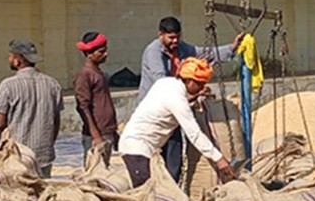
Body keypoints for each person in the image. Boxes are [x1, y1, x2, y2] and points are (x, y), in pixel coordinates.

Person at [138, 16, 244, 184]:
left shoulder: (180, 47)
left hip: (174, 109)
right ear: (161, 35)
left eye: (178, 37)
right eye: (171, 37)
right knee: (153, 159)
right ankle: (156, 191)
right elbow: (162, 82)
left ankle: (171, 190)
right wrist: (191, 87)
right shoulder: (153, 53)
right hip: (157, 112)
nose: (175, 41)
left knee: (174, 157)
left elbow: (204, 54)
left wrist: (232, 47)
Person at [120, 57, 236, 189]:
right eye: (199, 83)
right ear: (188, 80)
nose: (202, 87)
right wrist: (219, 159)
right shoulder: (176, 98)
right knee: (143, 195)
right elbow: (195, 134)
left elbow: (175, 103)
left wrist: (195, 96)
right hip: (137, 148)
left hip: (138, 146)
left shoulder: (166, 83)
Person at [0, 39, 64, 178]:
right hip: (44, 154)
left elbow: (0, 123)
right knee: (43, 192)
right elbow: (56, 121)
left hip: (18, 154)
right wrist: (48, 143)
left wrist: (4, 144)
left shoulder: (8, 85)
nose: (9, 59)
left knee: (22, 194)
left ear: (18, 60)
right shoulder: (53, 84)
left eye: (10, 56)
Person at [73, 31, 118, 165]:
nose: (106, 54)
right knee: (94, 175)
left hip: (106, 131)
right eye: (101, 52)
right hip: (96, 135)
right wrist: (96, 136)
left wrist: (113, 131)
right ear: (89, 54)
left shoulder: (99, 74)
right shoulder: (84, 75)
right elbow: (83, 107)